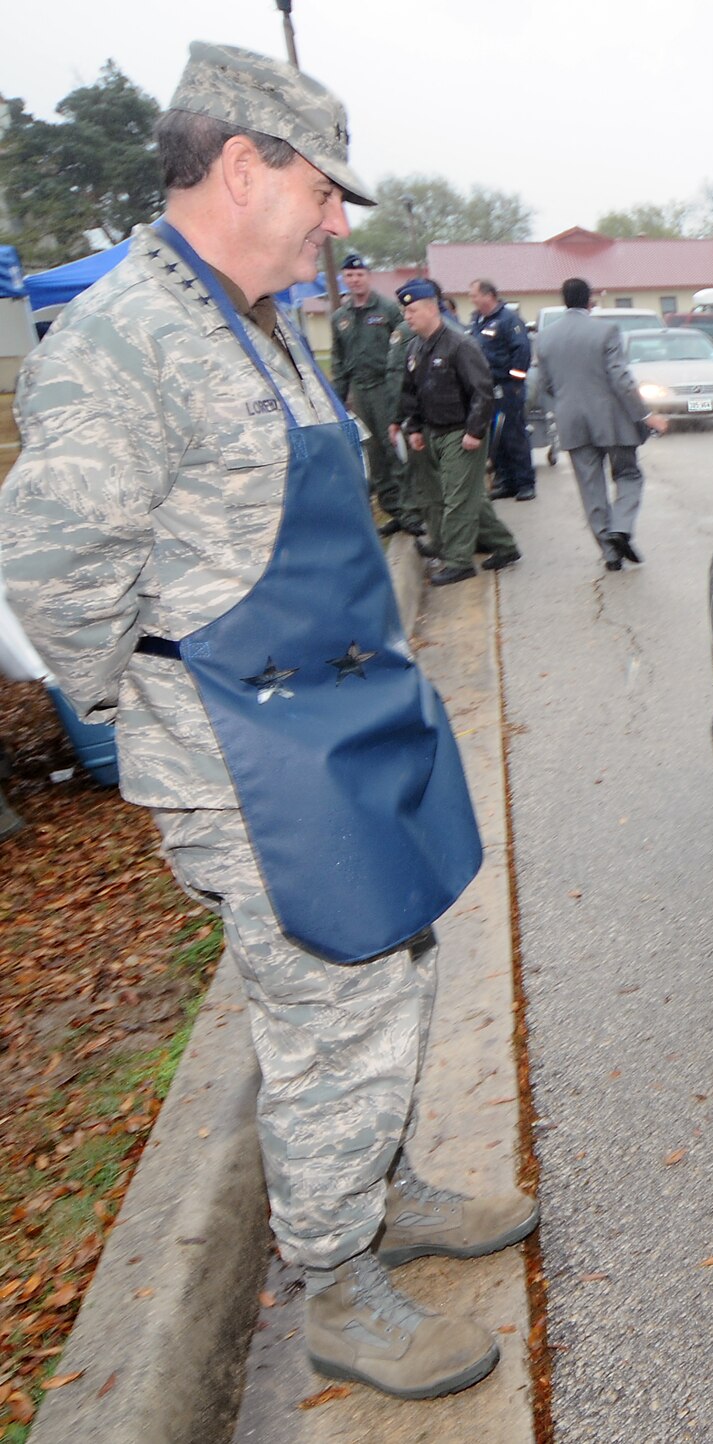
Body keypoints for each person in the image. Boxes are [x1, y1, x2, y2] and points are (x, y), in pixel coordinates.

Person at [0, 42, 535, 1401]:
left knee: (391, 961)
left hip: (337, 718)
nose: (339, 222)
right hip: (246, 751)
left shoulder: (257, 313)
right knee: (328, 1007)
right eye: (325, 190)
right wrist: (155, 718)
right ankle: (337, 1280)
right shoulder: (128, 338)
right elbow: (59, 583)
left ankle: (377, 1184)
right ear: (245, 165)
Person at [393, 278, 521, 586]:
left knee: (458, 499)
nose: (407, 317)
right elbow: (411, 392)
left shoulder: (459, 344)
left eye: (411, 311)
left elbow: (482, 391)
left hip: (461, 431)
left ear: (430, 309)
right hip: (432, 430)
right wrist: (413, 427)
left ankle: (458, 561)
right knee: (456, 496)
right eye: (405, 312)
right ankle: (504, 545)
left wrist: (475, 431)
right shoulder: (416, 347)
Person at [535, 276, 668, 571]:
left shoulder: (545, 338)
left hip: (572, 421)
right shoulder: (606, 331)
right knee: (629, 475)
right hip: (612, 420)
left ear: (564, 300)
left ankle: (610, 553)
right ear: (589, 301)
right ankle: (621, 526)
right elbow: (620, 379)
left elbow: (544, 385)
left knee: (590, 487)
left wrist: (568, 403)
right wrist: (646, 416)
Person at [328, 251, 414, 535]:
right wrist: (336, 398)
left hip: (385, 388)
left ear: (369, 276)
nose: (354, 280)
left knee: (394, 449)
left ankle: (410, 510)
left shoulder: (387, 309)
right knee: (374, 453)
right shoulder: (340, 317)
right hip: (359, 390)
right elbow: (338, 360)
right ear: (344, 278)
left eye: (359, 274)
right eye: (349, 276)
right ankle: (393, 509)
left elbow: (403, 347)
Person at [468, 278, 536, 502]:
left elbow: (522, 350)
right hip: (487, 388)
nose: (472, 299)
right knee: (496, 438)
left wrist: (514, 381)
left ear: (488, 295)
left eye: (474, 294)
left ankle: (525, 483)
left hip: (507, 388)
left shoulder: (508, 319)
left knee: (513, 435)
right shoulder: (478, 320)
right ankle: (505, 481)